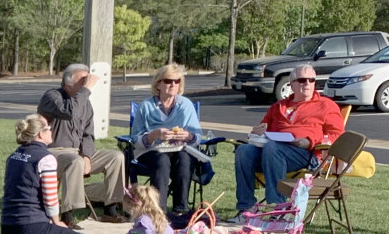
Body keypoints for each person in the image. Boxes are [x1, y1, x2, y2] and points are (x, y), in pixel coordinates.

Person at [233, 66, 344, 213]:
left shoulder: (326, 105)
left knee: (272, 148)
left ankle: (278, 209)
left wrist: (310, 141)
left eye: (311, 80)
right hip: (272, 152)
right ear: (292, 84)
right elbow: (263, 129)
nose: (307, 84)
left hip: (307, 155)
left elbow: (338, 136)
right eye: (302, 80)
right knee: (243, 151)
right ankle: (246, 208)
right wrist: (257, 133)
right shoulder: (278, 107)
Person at [38, 63, 128, 224]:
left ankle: (111, 208)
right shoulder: (52, 97)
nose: (87, 84)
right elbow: (69, 112)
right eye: (83, 81)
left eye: (88, 80)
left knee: (116, 157)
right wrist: (85, 91)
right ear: (68, 84)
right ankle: (67, 215)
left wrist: (87, 156)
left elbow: (88, 134)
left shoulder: (84, 103)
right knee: (75, 161)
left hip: (78, 152)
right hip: (53, 152)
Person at [0, 114, 92, 234]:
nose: (51, 131)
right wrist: (57, 221)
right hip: (31, 231)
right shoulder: (45, 158)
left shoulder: (13, 156)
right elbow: (50, 198)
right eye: (49, 128)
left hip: (7, 233)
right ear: (41, 134)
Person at [128, 63, 209, 219]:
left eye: (177, 81)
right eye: (168, 81)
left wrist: (188, 136)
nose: (173, 85)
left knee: (185, 159)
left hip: (180, 149)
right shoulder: (146, 106)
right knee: (162, 160)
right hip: (151, 151)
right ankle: (159, 211)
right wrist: (154, 135)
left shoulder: (185, 105)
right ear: (158, 84)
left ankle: (181, 210)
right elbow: (135, 139)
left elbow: (198, 136)